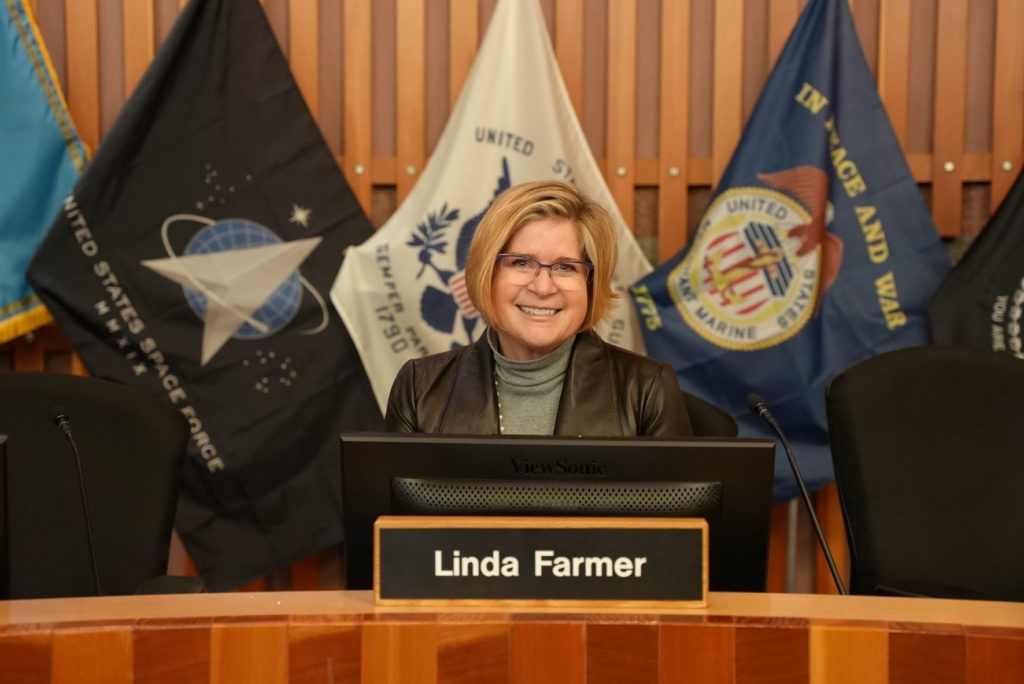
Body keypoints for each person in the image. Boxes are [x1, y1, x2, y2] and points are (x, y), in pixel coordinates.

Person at [385, 180, 692, 436]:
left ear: (590, 283)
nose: (543, 287)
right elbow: (393, 508)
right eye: (521, 262)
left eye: (566, 267)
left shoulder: (648, 389)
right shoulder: (419, 389)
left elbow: (673, 509)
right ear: (486, 274)